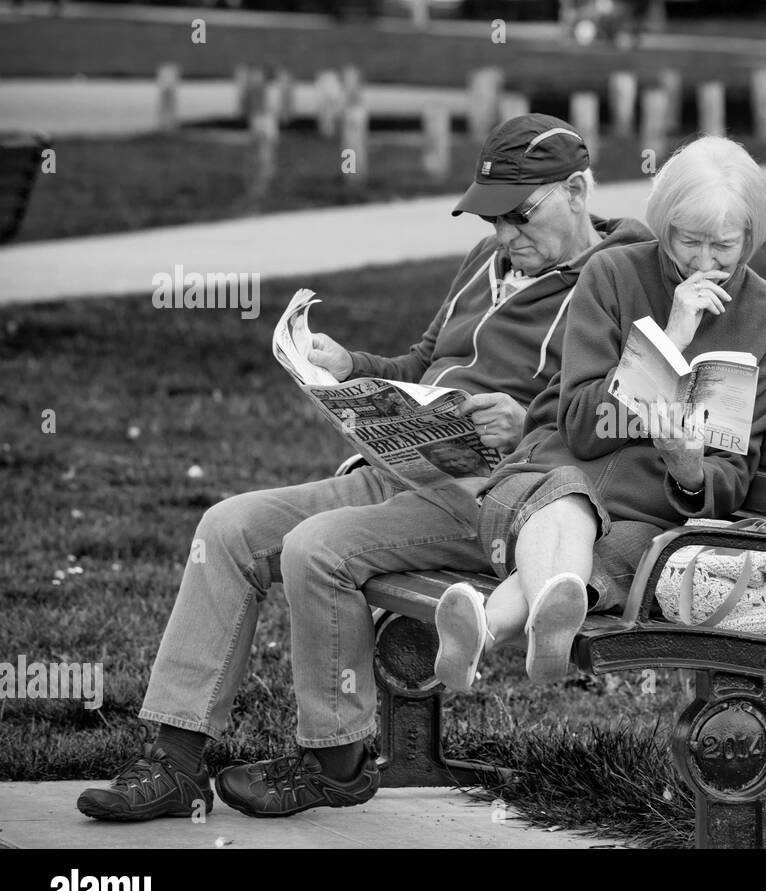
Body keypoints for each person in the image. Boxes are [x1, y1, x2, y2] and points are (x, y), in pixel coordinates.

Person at [76, 114, 652, 822]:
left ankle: (335, 762)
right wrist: (353, 369)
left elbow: (615, 417)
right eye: (491, 218)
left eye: (519, 217)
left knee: (317, 548)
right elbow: (422, 364)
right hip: (403, 465)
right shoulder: (486, 260)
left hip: (497, 496)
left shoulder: (624, 275)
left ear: (576, 189)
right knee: (225, 527)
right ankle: (174, 761)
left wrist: (524, 424)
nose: (504, 237)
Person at [429, 136, 766, 692]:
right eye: (687, 241)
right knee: (570, 499)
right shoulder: (611, 275)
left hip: (646, 518)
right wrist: (669, 342)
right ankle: (533, 627)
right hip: (540, 482)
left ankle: (484, 629)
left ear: (752, 235)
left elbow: (733, 476)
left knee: (621, 556)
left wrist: (689, 469)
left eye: (723, 245)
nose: (705, 263)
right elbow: (580, 425)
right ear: (663, 224)